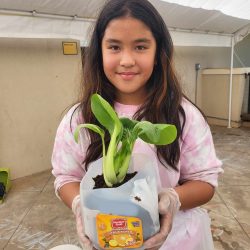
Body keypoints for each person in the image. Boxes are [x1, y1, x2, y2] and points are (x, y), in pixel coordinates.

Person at [51, 0, 223, 249]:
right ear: (99, 52)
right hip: (109, 235)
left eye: (140, 47)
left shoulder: (183, 114)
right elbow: (66, 177)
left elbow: (205, 182)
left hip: (177, 239)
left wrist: (172, 199)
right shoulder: (80, 118)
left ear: (158, 53)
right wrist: (80, 204)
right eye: (114, 47)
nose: (127, 60)